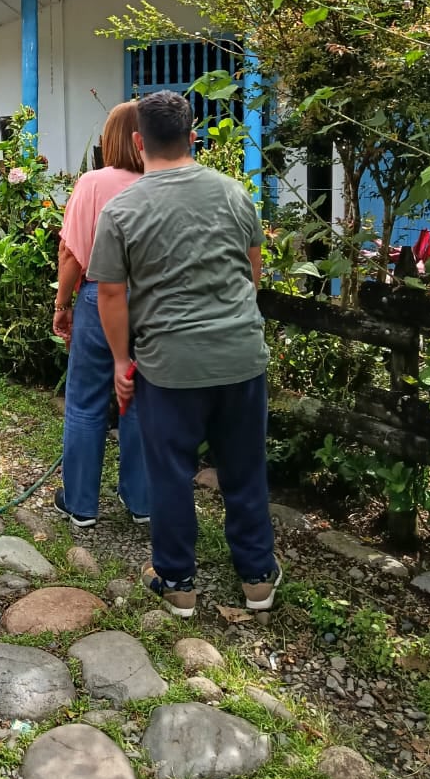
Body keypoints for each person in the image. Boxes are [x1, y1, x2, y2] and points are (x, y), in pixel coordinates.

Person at [89, 90, 280, 618]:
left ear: (137, 141)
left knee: (170, 474)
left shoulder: (122, 209)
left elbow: (110, 293)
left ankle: (177, 582)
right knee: (244, 470)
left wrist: (123, 362)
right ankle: (258, 579)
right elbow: (252, 270)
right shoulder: (234, 193)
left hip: (168, 367)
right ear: (192, 136)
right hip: (241, 356)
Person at [52, 101, 150, 530]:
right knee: (142, 399)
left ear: (113, 138)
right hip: (152, 300)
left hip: (98, 295)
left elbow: (72, 253)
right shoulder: (160, 183)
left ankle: (81, 503)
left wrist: (62, 304)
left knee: (86, 400)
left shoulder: (92, 183)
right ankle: (142, 499)